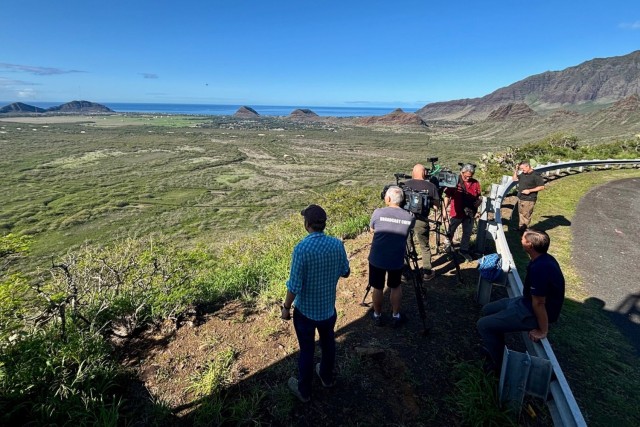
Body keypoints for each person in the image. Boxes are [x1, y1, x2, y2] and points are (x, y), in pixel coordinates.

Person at [281, 204, 351, 402]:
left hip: (305, 312)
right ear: (324, 224)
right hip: (328, 309)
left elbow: (294, 285)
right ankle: (326, 378)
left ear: (307, 224)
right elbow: (346, 272)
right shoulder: (337, 245)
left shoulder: (301, 249)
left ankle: (304, 391)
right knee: (329, 345)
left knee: (307, 351)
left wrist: (286, 308)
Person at [476, 228, 565, 370]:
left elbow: (539, 303)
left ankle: (498, 366)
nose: (520, 240)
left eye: (523, 238)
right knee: (488, 310)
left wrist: (543, 330)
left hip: (531, 312)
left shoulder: (540, 269)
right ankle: (497, 348)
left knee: (483, 325)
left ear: (530, 245)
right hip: (526, 302)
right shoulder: (544, 258)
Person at [368, 186, 415, 327]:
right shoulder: (409, 216)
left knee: (377, 287)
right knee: (395, 286)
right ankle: (395, 315)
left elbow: (372, 229)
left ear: (388, 199)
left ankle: (377, 315)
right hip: (397, 257)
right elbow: (409, 229)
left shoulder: (378, 213)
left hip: (377, 257)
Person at [403, 163, 441, 280]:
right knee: (424, 246)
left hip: (405, 219)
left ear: (413, 173)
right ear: (424, 173)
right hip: (422, 220)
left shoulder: (404, 185)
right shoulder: (430, 186)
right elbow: (436, 206)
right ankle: (427, 272)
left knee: (406, 246)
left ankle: (404, 273)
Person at [443, 164, 482, 262]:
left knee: (467, 233)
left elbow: (479, 196)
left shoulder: (475, 183)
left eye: (470, 176)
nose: (468, 178)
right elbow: (447, 196)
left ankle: (464, 250)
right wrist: (444, 210)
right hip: (457, 212)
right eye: (466, 176)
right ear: (462, 172)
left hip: (470, 213)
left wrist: (479, 201)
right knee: (451, 230)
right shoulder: (455, 182)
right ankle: (447, 247)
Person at [512, 161, 545, 233]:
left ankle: (524, 231)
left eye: (523, 169)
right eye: (521, 169)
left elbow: (542, 187)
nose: (522, 170)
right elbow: (514, 179)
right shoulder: (523, 174)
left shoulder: (536, 175)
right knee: (521, 214)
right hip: (521, 197)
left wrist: (529, 190)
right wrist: (516, 170)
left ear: (528, 166)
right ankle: (521, 229)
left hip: (529, 199)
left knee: (526, 215)